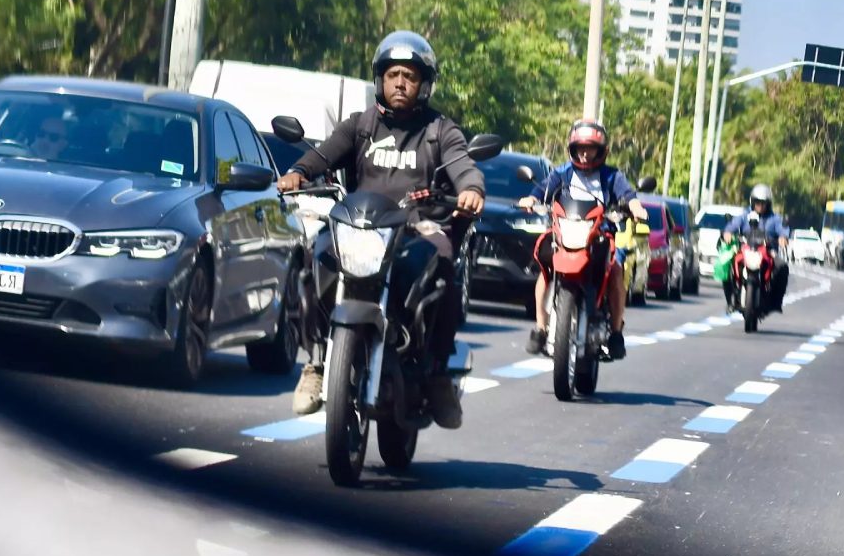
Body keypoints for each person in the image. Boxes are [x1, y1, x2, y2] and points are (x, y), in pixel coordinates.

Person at [275, 31, 485, 428]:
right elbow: (322, 155)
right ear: (379, 80)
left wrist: (471, 188)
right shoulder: (360, 126)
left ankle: (437, 370)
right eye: (392, 75)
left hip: (416, 227)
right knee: (315, 257)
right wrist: (298, 173)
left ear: (424, 83)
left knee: (444, 264)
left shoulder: (440, 130)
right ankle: (318, 361)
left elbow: (462, 164)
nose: (400, 83)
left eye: (409, 75)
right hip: (357, 227)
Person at [517, 119, 647, 361]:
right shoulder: (563, 172)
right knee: (545, 270)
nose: (585, 154)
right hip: (564, 235)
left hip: (599, 236)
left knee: (616, 271)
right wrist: (531, 200)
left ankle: (617, 333)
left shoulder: (612, 176)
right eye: (580, 148)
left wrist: (635, 207)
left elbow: (628, 195)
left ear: (602, 151)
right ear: (573, 149)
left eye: (591, 149)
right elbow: (542, 189)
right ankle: (540, 327)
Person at [724, 182, 789, 312]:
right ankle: (730, 300)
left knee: (782, 267)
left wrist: (783, 238)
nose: (760, 205)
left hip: (768, 252)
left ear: (768, 203)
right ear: (752, 201)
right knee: (725, 264)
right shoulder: (744, 215)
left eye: (763, 202)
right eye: (757, 202)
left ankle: (776, 301)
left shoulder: (775, 218)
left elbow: (783, 230)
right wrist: (728, 233)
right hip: (745, 249)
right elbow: (732, 226)